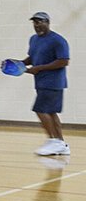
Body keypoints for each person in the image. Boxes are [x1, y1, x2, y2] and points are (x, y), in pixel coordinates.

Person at [21, 12, 71, 156]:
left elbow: (63, 61)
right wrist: (19, 63)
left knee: (40, 110)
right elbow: (32, 57)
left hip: (54, 83)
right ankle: (61, 144)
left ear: (48, 22)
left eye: (40, 22)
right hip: (41, 82)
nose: (37, 25)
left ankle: (53, 140)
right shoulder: (34, 39)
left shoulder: (58, 40)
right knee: (50, 112)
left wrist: (39, 68)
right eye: (35, 23)